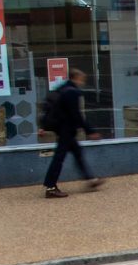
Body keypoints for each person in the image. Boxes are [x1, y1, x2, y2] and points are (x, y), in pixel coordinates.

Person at [42, 69, 104, 198]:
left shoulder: (61, 89)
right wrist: (90, 131)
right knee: (59, 157)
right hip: (66, 129)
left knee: (77, 153)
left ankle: (90, 179)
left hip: (62, 127)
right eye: (82, 79)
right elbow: (76, 115)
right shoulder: (72, 92)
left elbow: (50, 107)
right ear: (76, 78)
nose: (82, 82)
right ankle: (51, 187)